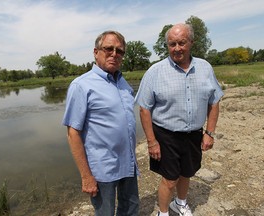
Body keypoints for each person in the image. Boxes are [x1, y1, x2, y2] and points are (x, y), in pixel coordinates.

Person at [135, 23, 224, 216]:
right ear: (167, 45)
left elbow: (214, 101)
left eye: (181, 43)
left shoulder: (205, 68)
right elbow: (144, 109)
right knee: (170, 178)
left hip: (194, 134)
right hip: (166, 135)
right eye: (172, 44)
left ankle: (180, 203)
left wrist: (209, 133)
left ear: (191, 42)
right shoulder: (155, 71)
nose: (177, 48)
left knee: (187, 172)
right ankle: (164, 212)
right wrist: (151, 142)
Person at [62, 30, 139, 216]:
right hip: (102, 168)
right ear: (96, 52)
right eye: (108, 49)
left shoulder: (123, 83)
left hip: (128, 162)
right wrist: (86, 176)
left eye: (119, 51)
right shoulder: (81, 86)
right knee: (105, 213)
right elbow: (73, 133)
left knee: (131, 209)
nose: (114, 54)